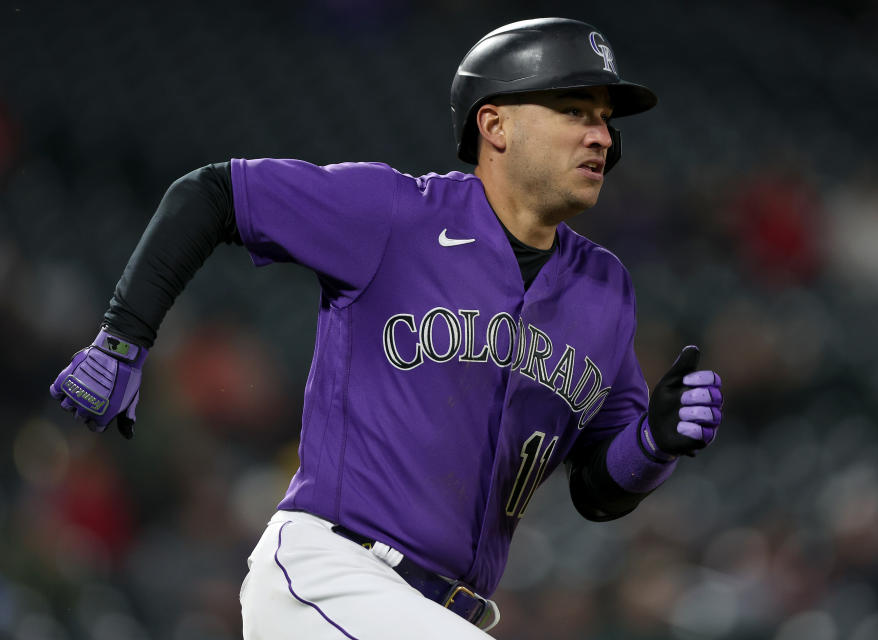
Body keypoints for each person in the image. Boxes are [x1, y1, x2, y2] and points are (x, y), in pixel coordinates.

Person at [49, 17, 723, 639]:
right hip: (333, 577)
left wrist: (654, 444)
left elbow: (598, 491)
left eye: (605, 120)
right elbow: (213, 193)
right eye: (575, 111)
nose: (602, 135)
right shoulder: (396, 214)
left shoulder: (605, 290)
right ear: (495, 125)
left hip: (445, 613)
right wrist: (122, 337)